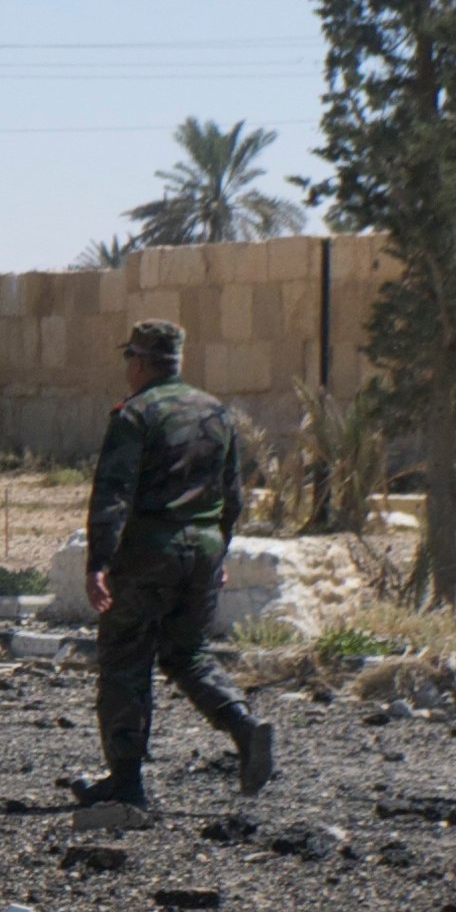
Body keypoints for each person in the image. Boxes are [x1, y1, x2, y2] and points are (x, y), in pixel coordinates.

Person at [81, 318, 273, 814]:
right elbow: (232, 497)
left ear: (140, 362)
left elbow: (113, 494)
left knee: (125, 662)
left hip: (149, 553)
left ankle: (125, 783)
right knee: (187, 655)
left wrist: (99, 561)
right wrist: (219, 553)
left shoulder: (135, 414)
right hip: (203, 552)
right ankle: (243, 725)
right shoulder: (217, 413)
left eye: (129, 358)